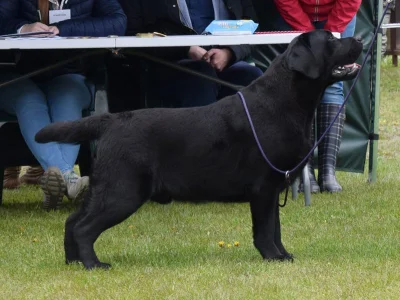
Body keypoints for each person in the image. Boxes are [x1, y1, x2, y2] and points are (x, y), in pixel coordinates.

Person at [0, 0, 127, 209]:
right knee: (28, 100)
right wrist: (23, 28)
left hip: (71, 71)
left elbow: (118, 21)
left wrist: (63, 28)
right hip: (16, 74)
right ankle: (70, 179)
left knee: (66, 97)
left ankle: (61, 180)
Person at [272, 0, 362, 192]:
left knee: (334, 84)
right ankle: (304, 170)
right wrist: (307, 33)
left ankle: (328, 171)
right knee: (298, 83)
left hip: (338, 15)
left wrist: (330, 37)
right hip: (294, 14)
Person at [116, 0, 263, 108]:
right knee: (201, 74)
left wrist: (229, 52)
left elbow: (251, 24)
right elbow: (134, 34)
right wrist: (186, 48)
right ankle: (203, 148)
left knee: (250, 75)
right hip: (172, 63)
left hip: (225, 60)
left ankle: (250, 148)